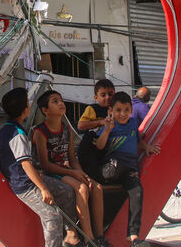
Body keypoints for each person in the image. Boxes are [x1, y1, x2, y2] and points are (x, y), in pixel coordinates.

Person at [0, 87, 80, 247]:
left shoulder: (6, 130)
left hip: (29, 179)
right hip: (24, 186)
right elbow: (25, 164)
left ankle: (70, 235)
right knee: (52, 217)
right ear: (25, 109)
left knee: (67, 192)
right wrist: (43, 188)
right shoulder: (17, 134)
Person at [33, 90, 110, 247]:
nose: (61, 103)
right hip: (51, 174)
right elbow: (45, 164)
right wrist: (73, 173)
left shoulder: (67, 129)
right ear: (45, 110)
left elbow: (73, 159)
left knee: (96, 187)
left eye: (61, 100)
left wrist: (81, 173)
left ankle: (100, 235)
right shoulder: (40, 132)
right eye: (55, 101)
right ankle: (89, 238)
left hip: (66, 170)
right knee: (81, 188)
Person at [95, 92, 161, 247]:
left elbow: (138, 140)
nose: (122, 114)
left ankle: (133, 236)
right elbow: (99, 145)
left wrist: (147, 148)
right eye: (118, 110)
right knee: (116, 166)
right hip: (111, 169)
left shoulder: (132, 124)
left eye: (126, 110)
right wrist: (107, 130)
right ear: (111, 110)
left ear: (131, 110)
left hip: (129, 171)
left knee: (137, 192)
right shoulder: (109, 125)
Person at [76, 79, 116, 238]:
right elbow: (80, 125)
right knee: (94, 180)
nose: (107, 97)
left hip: (104, 151)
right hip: (89, 151)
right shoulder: (92, 109)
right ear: (96, 97)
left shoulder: (115, 109)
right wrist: (100, 122)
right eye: (103, 95)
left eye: (110, 94)